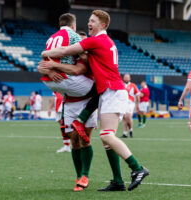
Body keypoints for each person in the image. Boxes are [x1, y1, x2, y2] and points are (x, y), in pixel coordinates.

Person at [41, 10, 149, 191]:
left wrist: (46, 54)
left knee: (106, 135)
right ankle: (118, 181)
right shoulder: (104, 42)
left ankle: (137, 168)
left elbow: (66, 50)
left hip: (113, 91)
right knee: (107, 139)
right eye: (89, 20)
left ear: (103, 25)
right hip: (108, 91)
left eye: (93, 21)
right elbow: (83, 58)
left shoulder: (96, 40)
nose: (89, 23)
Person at [38, 13, 96, 192]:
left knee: (85, 140)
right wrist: (45, 68)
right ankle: (78, 176)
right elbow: (44, 63)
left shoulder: (89, 56)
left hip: (87, 101)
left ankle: (85, 175)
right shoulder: (72, 50)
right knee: (74, 141)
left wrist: (50, 67)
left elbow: (79, 69)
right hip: (70, 101)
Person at [121, 74, 140, 138]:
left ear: (130, 78)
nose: (126, 78)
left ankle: (131, 130)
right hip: (123, 103)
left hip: (130, 103)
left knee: (128, 116)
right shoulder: (121, 85)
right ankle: (125, 133)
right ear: (123, 78)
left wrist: (138, 103)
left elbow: (137, 94)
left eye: (127, 77)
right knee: (124, 118)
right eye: (125, 77)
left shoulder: (133, 85)